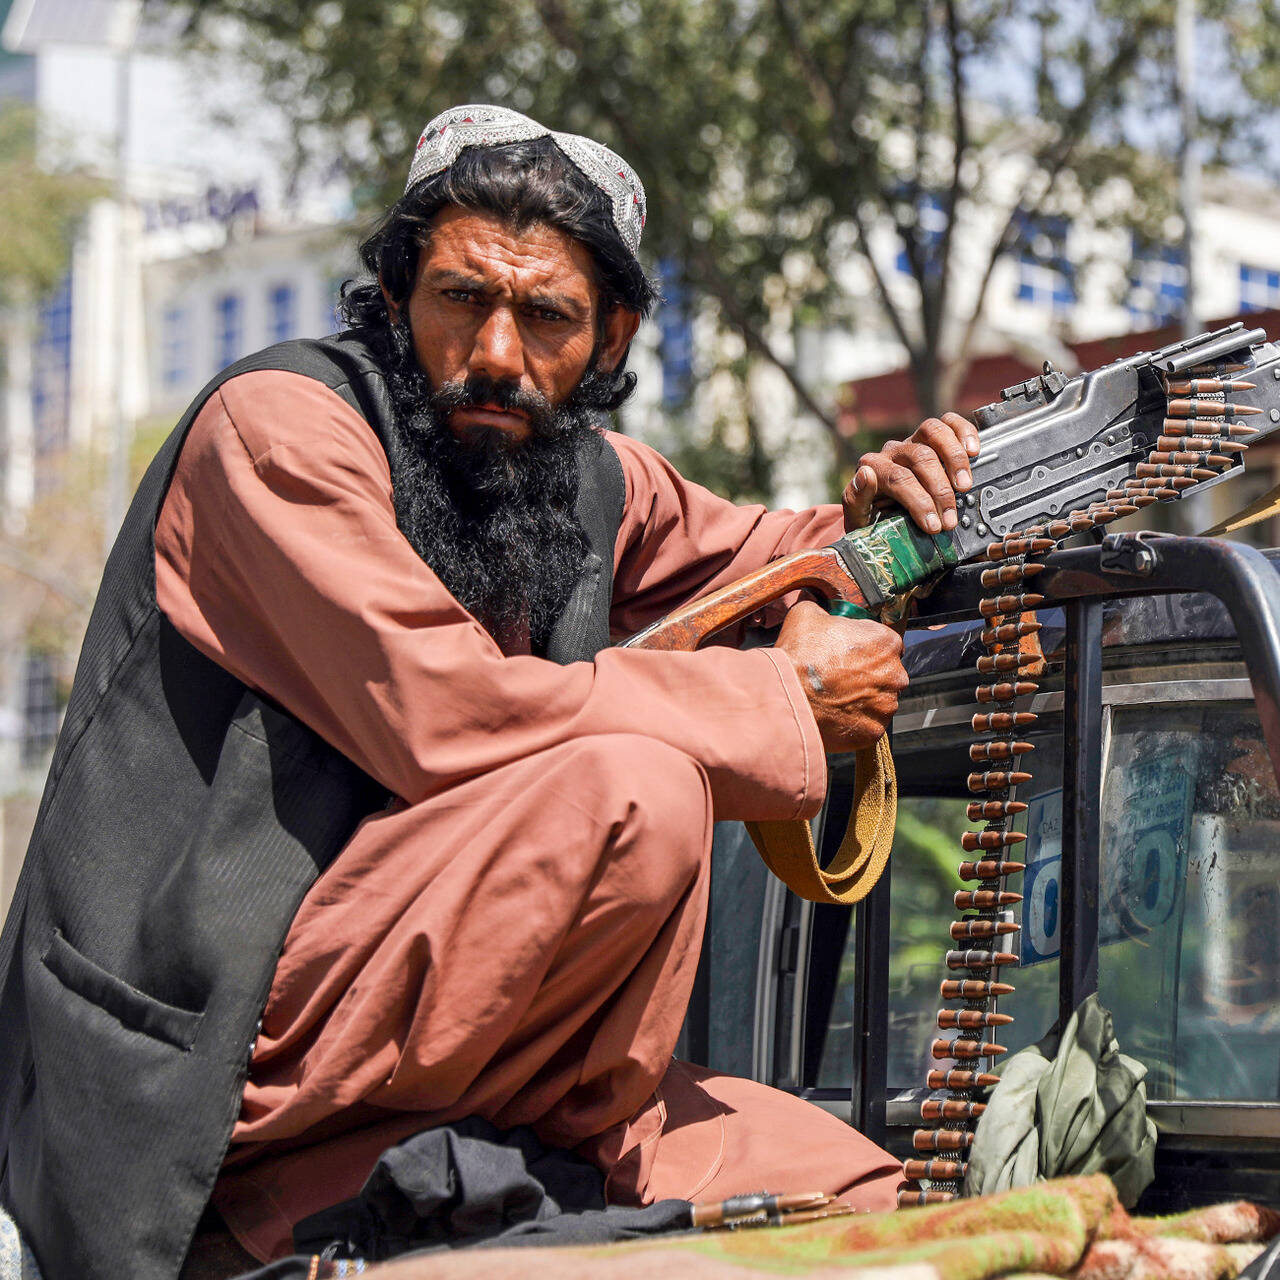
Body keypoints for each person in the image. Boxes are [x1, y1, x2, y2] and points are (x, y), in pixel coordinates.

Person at [0, 105, 979, 1279]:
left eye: (548, 315)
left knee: (875, 1201)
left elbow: (787, 559)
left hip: (475, 1070)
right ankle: (344, 1199)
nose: (499, 353)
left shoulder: (586, 480)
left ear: (611, 336)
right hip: (225, 1070)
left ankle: (533, 1165)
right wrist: (776, 704)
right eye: (462, 298)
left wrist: (895, 521)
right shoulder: (277, 431)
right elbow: (442, 711)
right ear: (395, 287)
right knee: (634, 786)